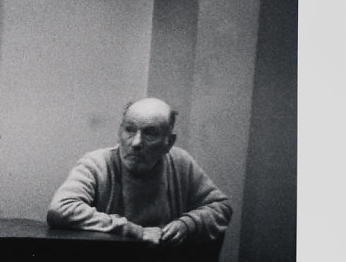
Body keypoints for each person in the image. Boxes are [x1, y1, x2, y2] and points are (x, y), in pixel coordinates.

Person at [46, 97, 232, 245]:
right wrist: (134, 230)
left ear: (169, 142)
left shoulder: (181, 162)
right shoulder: (96, 163)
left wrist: (187, 225)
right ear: (120, 131)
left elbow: (221, 207)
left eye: (150, 133)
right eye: (129, 130)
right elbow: (61, 209)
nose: (135, 143)